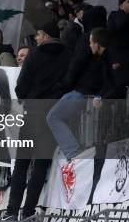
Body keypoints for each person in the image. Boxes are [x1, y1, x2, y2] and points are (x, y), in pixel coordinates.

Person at [4, 21, 71, 221]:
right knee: (41, 165)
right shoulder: (68, 56)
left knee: (22, 164)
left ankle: (11, 211)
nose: (37, 38)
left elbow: (21, 86)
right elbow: (70, 82)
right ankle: (28, 212)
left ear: (47, 35)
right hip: (54, 114)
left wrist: (25, 96)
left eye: (39, 34)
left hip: (31, 113)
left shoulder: (35, 55)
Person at [46, 28, 115, 160]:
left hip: (82, 92)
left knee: (53, 117)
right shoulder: (105, 56)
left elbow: (77, 67)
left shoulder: (103, 57)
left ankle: (73, 153)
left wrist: (99, 95)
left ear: (97, 42)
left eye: (91, 42)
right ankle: (73, 151)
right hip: (83, 92)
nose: (89, 45)